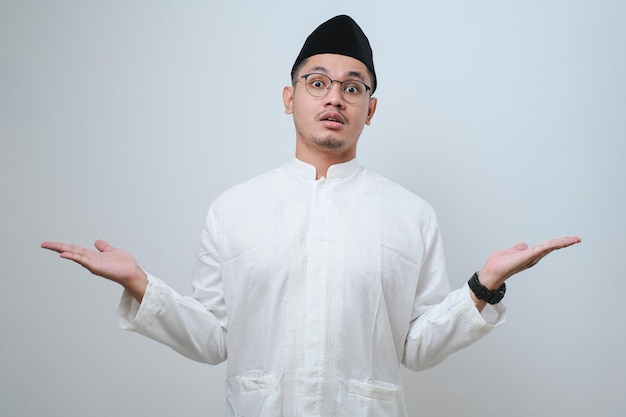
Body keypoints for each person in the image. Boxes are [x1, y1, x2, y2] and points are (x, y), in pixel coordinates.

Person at [41, 15, 581, 417]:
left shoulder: (409, 215)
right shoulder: (235, 210)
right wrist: (139, 283)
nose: (335, 98)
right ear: (289, 96)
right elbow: (214, 339)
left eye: (353, 87)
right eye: (317, 82)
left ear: (370, 109)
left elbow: (414, 347)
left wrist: (484, 285)